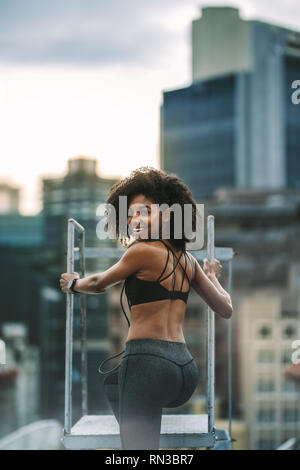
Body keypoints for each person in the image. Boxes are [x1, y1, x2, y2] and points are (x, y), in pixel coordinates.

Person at [60, 167, 233, 450]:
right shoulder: (188, 260)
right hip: (184, 371)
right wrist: (213, 276)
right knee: (114, 385)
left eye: (144, 212)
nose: (133, 220)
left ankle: (139, 431)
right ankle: (138, 424)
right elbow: (225, 308)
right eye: (129, 214)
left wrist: (73, 283)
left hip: (147, 365)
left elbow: (99, 282)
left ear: (167, 214)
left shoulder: (140, 251)